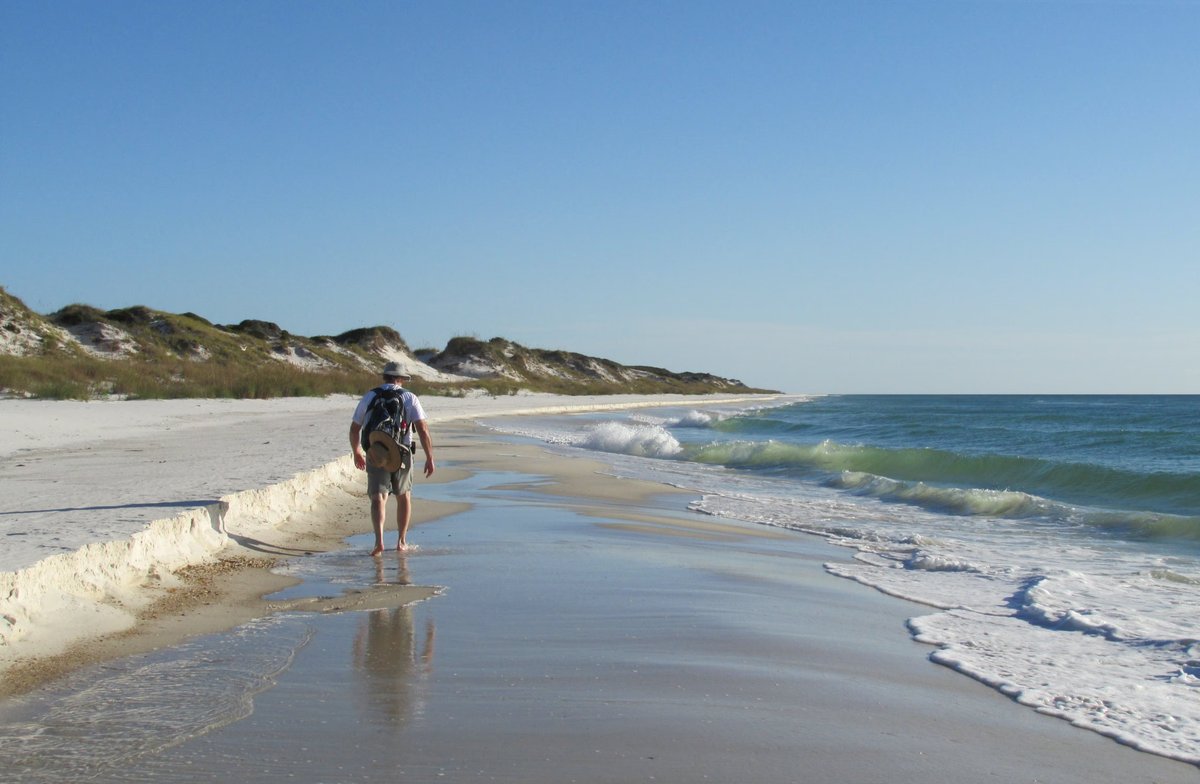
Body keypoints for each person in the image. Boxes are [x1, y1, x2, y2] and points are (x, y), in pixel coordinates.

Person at [349, 362, 435, 555]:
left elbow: (355, 429)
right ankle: (401, 541)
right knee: (404, 496)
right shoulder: (409, 397)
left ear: (385, 377)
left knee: (378, 497)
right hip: (402, 452)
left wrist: (357, 452)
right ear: (401, 379)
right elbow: (422, 429)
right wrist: (430, 457)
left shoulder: (370, 396)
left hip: (376, 450)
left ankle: (378, 542)